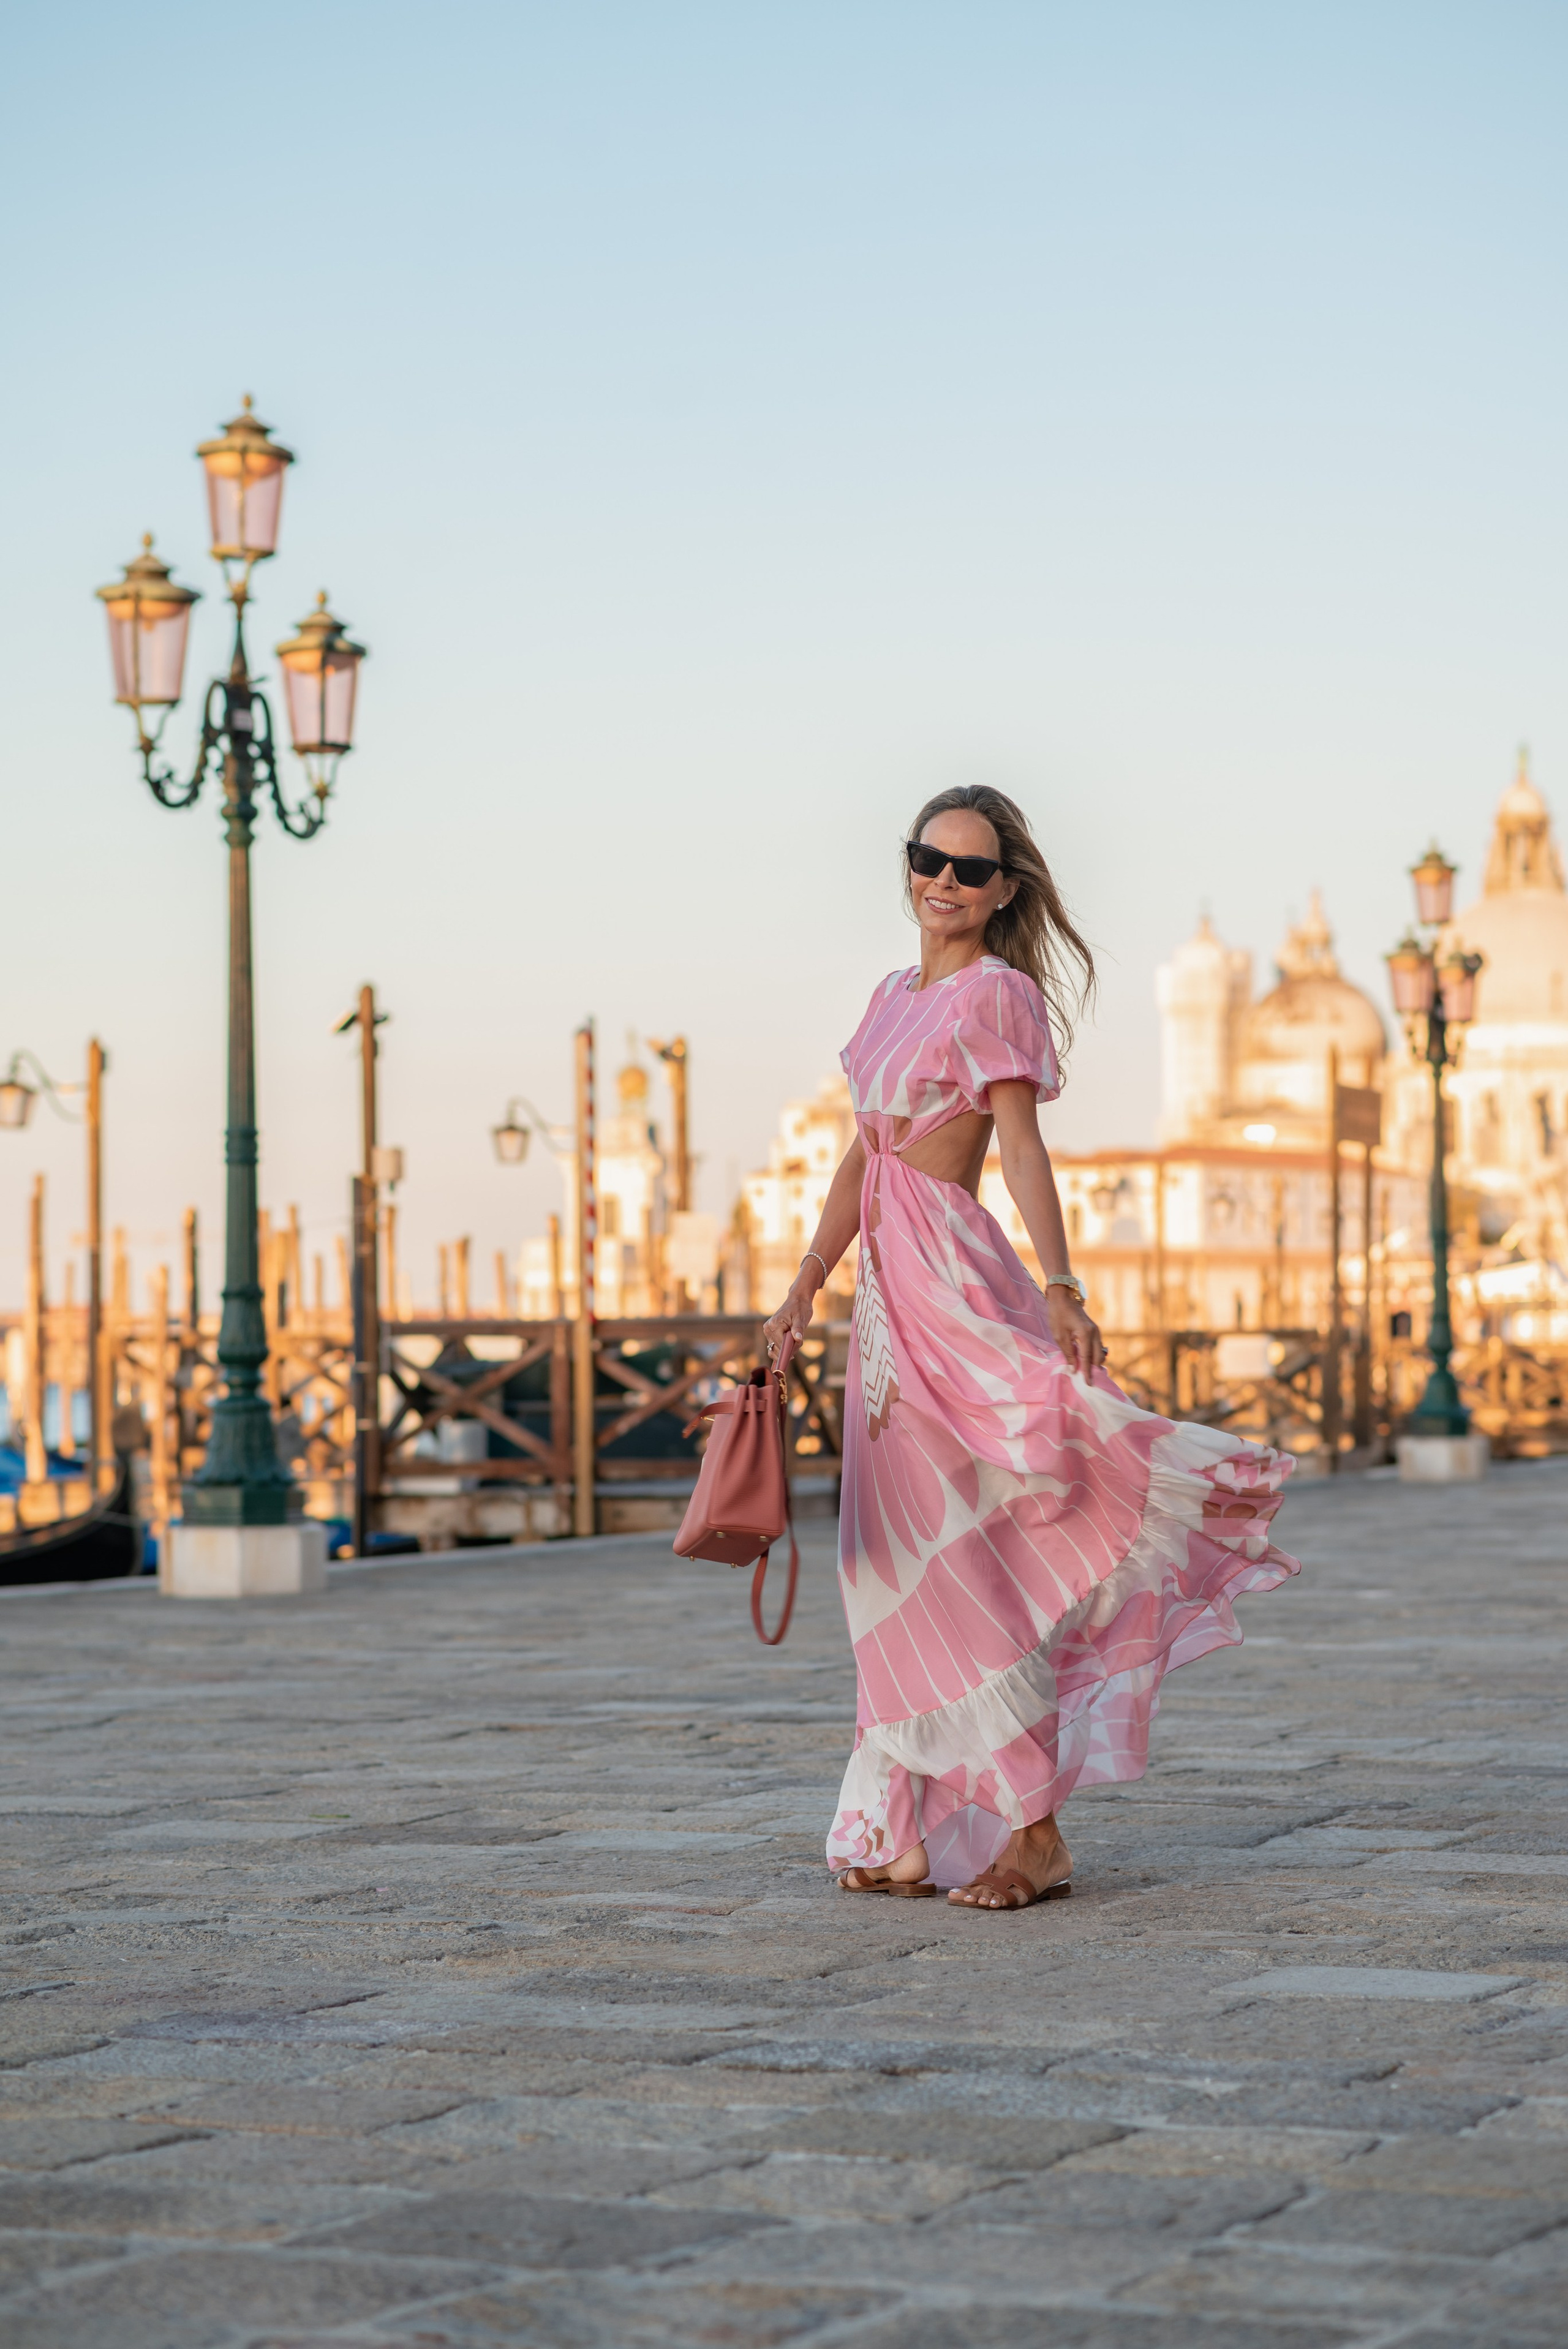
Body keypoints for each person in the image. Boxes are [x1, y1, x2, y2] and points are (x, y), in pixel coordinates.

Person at [764, 785, 1298, 1910]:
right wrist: (805, 1283)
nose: (944, 883)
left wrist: (1058, 1282)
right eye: (930, 859)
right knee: (884, 1562)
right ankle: (901, 1828)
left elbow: (1018, 1151)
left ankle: (1035, 1831)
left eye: (971, 869)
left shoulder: (999, 993)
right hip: (879, 1312)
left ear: (1005, 890)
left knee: (963, 1554)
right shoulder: (887, 995)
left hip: (956, 1287)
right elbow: (860, 1159)